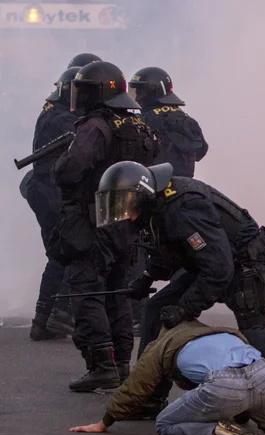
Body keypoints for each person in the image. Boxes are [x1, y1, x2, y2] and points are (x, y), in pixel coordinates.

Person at [93, 160, 265, 423]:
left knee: (257, 336)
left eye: (129, 207)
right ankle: (149, 397)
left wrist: (185, 308)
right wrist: (147, 278)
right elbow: (173, 247)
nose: (127, 216)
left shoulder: (182, 208)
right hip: (214, 262)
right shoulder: (158, 206)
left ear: (143, 195)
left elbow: (219, 269)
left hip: (248, 264)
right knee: (156, 309)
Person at [69, 318, 265, 435]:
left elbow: (136, 386)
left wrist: (106, 420)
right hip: (264, 372)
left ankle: (219, 433)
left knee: (165, 425)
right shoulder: (219, 331)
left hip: (225, 385)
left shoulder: (162, 345)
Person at [52, 61, 160, 392]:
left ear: (100, 92)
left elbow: (70, 171)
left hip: (92, 220)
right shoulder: (137, 125)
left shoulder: (95, 127)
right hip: (125, 221)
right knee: (118, 294)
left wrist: (59, 164)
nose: (80, 96)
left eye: (85, 90)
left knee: (87, 290)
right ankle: (120, 364)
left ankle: (100, 364)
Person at [127, 67, 209, 336]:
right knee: (183, 250)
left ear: (149, 91)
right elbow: (202, 150)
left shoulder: (147, 119)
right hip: (184, 193)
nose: (134, 96)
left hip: (153, 193)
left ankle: (139, 313)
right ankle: (178, 307)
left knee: (139, 250)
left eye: (137, 90)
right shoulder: (186, 118)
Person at [25, 67, 81, 341]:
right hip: (51, 192)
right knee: (66, 252)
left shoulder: (58, 112)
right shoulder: (60, 118)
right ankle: (55, 315)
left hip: (51, 190)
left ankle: (46, 319)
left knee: (61, 253)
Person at [128, 67, 208, 177]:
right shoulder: (187, 119)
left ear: (152, 91)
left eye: (140, 93)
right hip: (184, 187)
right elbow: (201, 152)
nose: (136, 99)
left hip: (155, 185)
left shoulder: (142, 120)